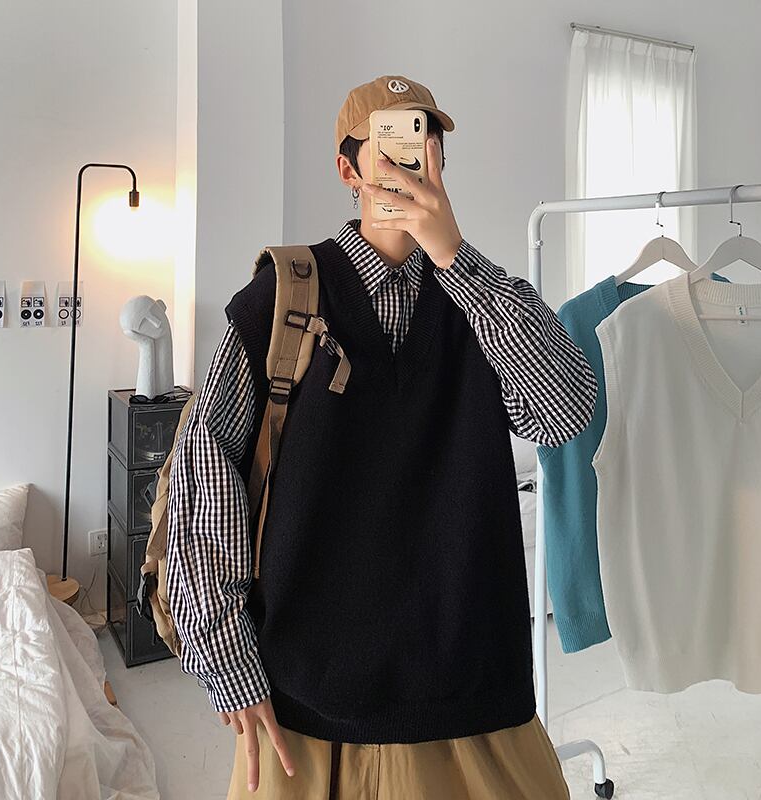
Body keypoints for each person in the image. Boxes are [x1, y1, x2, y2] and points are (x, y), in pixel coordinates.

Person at [166, 74, 597, 799]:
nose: (412, 155)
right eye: (390, 140)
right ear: (348, 169)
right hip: (307, 698)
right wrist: (227, 657)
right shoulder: (285, 296)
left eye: (425, 138)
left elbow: (565, 411)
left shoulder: (483, 300)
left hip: (471, 689)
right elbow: (204, 472)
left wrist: (457, 260)